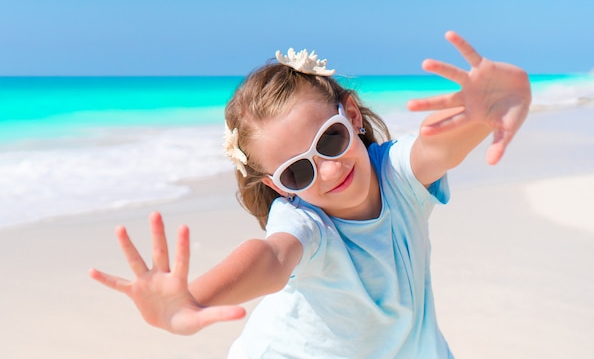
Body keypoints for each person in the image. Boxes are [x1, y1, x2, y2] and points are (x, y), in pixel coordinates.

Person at [89, 31, 531, 358]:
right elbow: (271, 258)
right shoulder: (305, 223)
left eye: (331, 139)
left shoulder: (397, 176)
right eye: (298, 171)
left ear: (352, 115)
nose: (329, 169)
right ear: (280, 187)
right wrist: (194, 298)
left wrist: (491, 110)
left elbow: (437, 147)